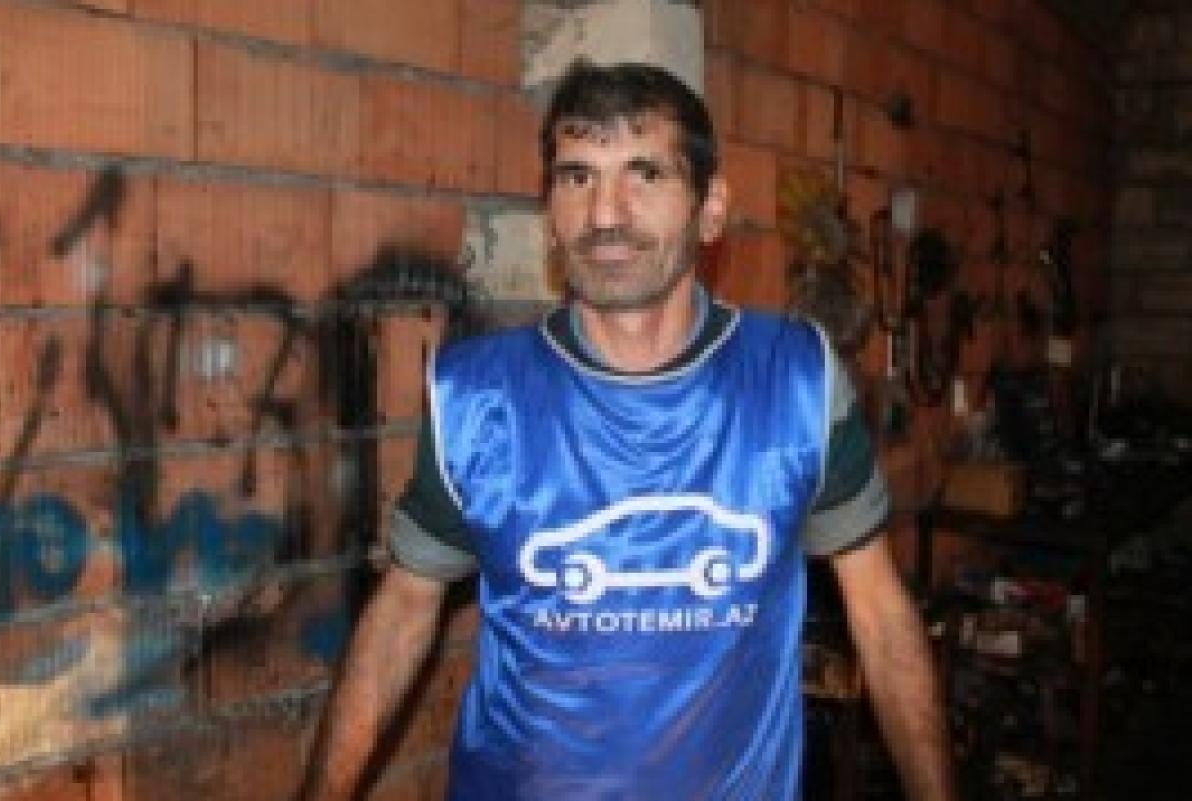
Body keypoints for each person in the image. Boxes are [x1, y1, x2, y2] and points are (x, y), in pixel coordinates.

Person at [297, 60, 954, 801]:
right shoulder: (479, 398)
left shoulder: (796, 381)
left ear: (710, 209)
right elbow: (403, 609)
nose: (605, 213)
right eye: (577, 176)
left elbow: (880, 614)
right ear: (550, 212)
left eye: (644, 173)